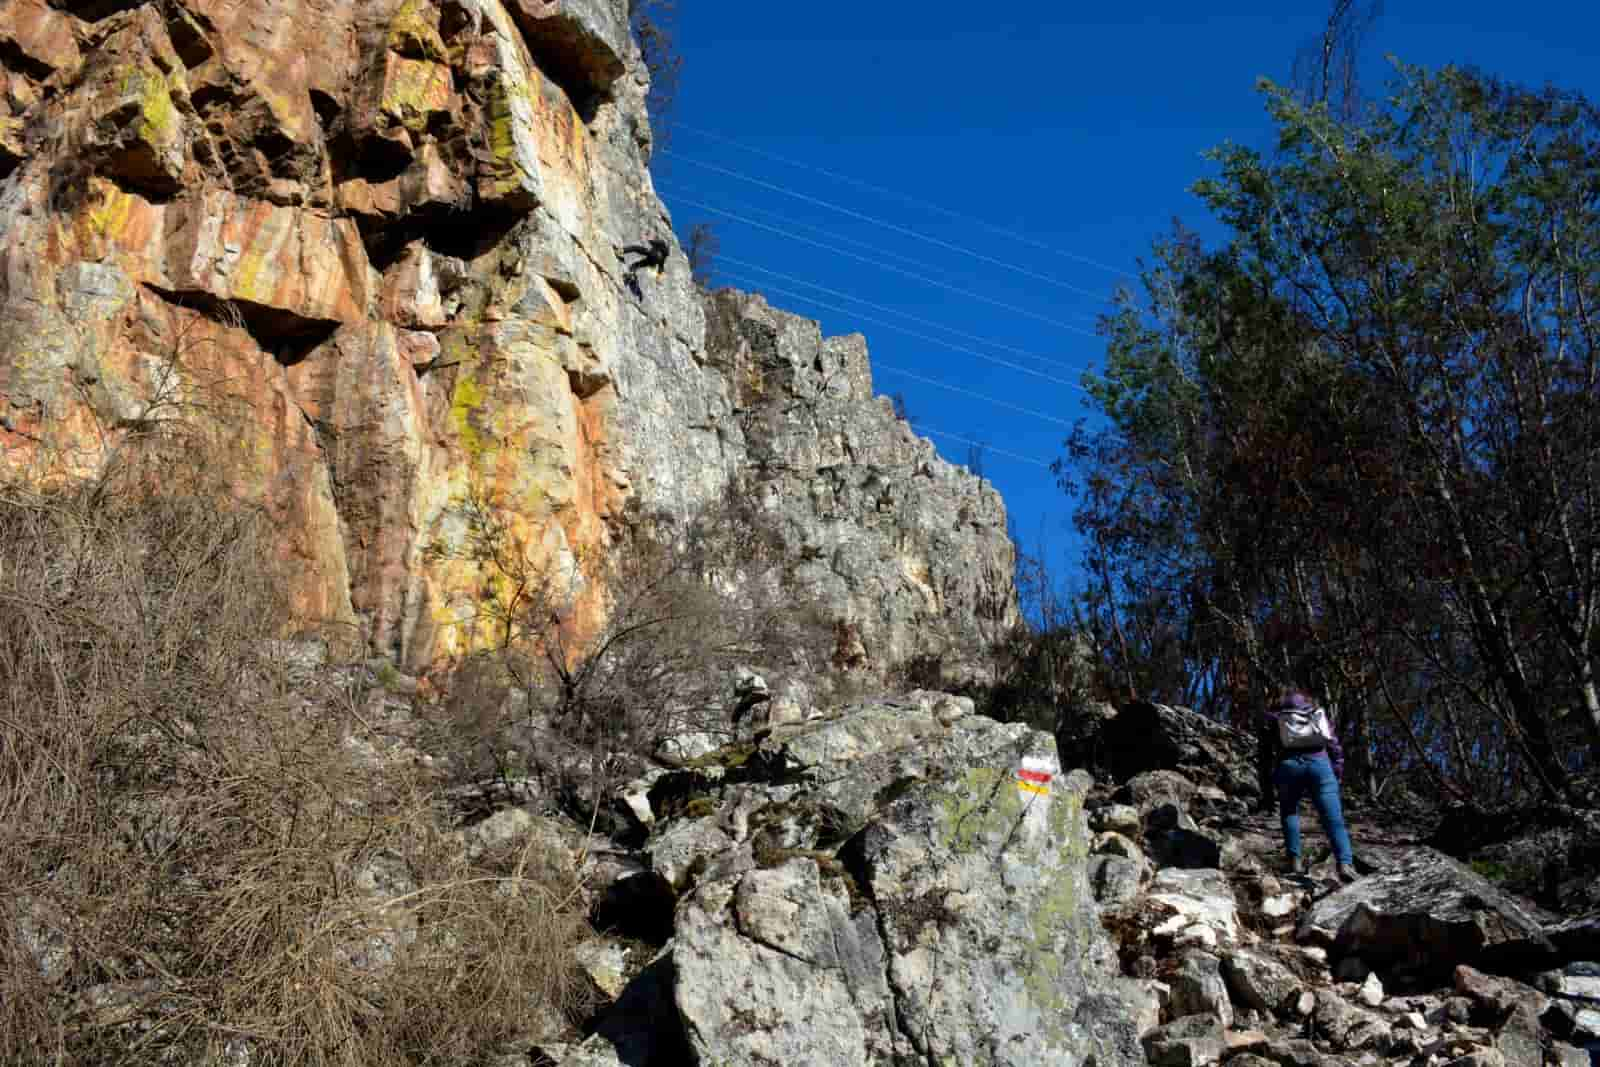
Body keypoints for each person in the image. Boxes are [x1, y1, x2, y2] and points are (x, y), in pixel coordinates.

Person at [1259, 688, 1358, 883]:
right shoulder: (1313, 711)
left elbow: (1264, 757)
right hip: (1320, 763)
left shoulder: (1272, 717)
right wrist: (1336, 771)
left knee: (1289, 811)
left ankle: (1294, 862)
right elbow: (1333, 744)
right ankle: (1345, 864)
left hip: (1288, 765)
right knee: (1333, 818)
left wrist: (1267, 790)